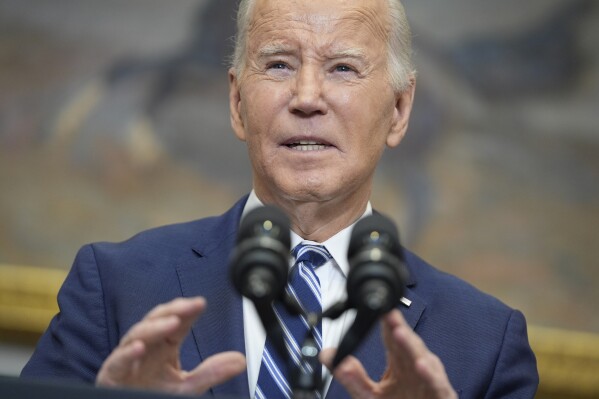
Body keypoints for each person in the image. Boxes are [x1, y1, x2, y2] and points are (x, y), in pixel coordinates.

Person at [21, 0, 539, 398]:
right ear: (237, 104)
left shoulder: (486, 342)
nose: (307, 97)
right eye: (278, 65)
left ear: (400, 110)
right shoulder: (114, 285)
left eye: (342, 68)